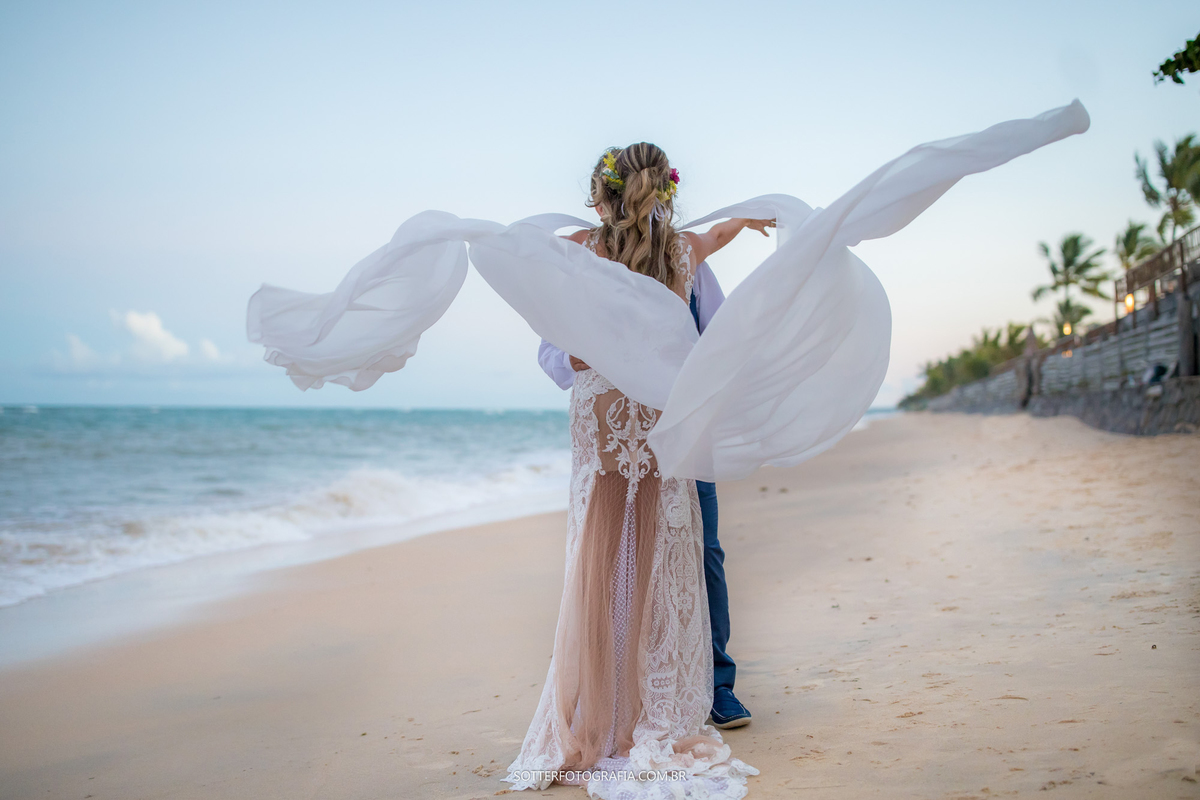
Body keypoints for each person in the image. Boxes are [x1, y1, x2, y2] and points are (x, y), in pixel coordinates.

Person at [505, 142, 767, 798]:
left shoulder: (583, 250)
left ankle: (607, 709)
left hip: (610, 419)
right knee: (651, 561)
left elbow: (544, 289)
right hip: (656, 420)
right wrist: (750, 219)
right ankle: (639, 706)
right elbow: (719, 234)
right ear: (662, 191)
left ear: (604, 195)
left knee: (603, 562)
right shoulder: (681, 252)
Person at [537, 241, 753, 731]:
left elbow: (717, 339)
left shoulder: (688, 263)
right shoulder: (587, 267)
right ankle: (616, 691)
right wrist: (586, 355)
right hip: (616, 442)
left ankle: (717, 686)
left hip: (683, 431)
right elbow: (551, 358)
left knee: (703, 551)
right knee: (612, 560)